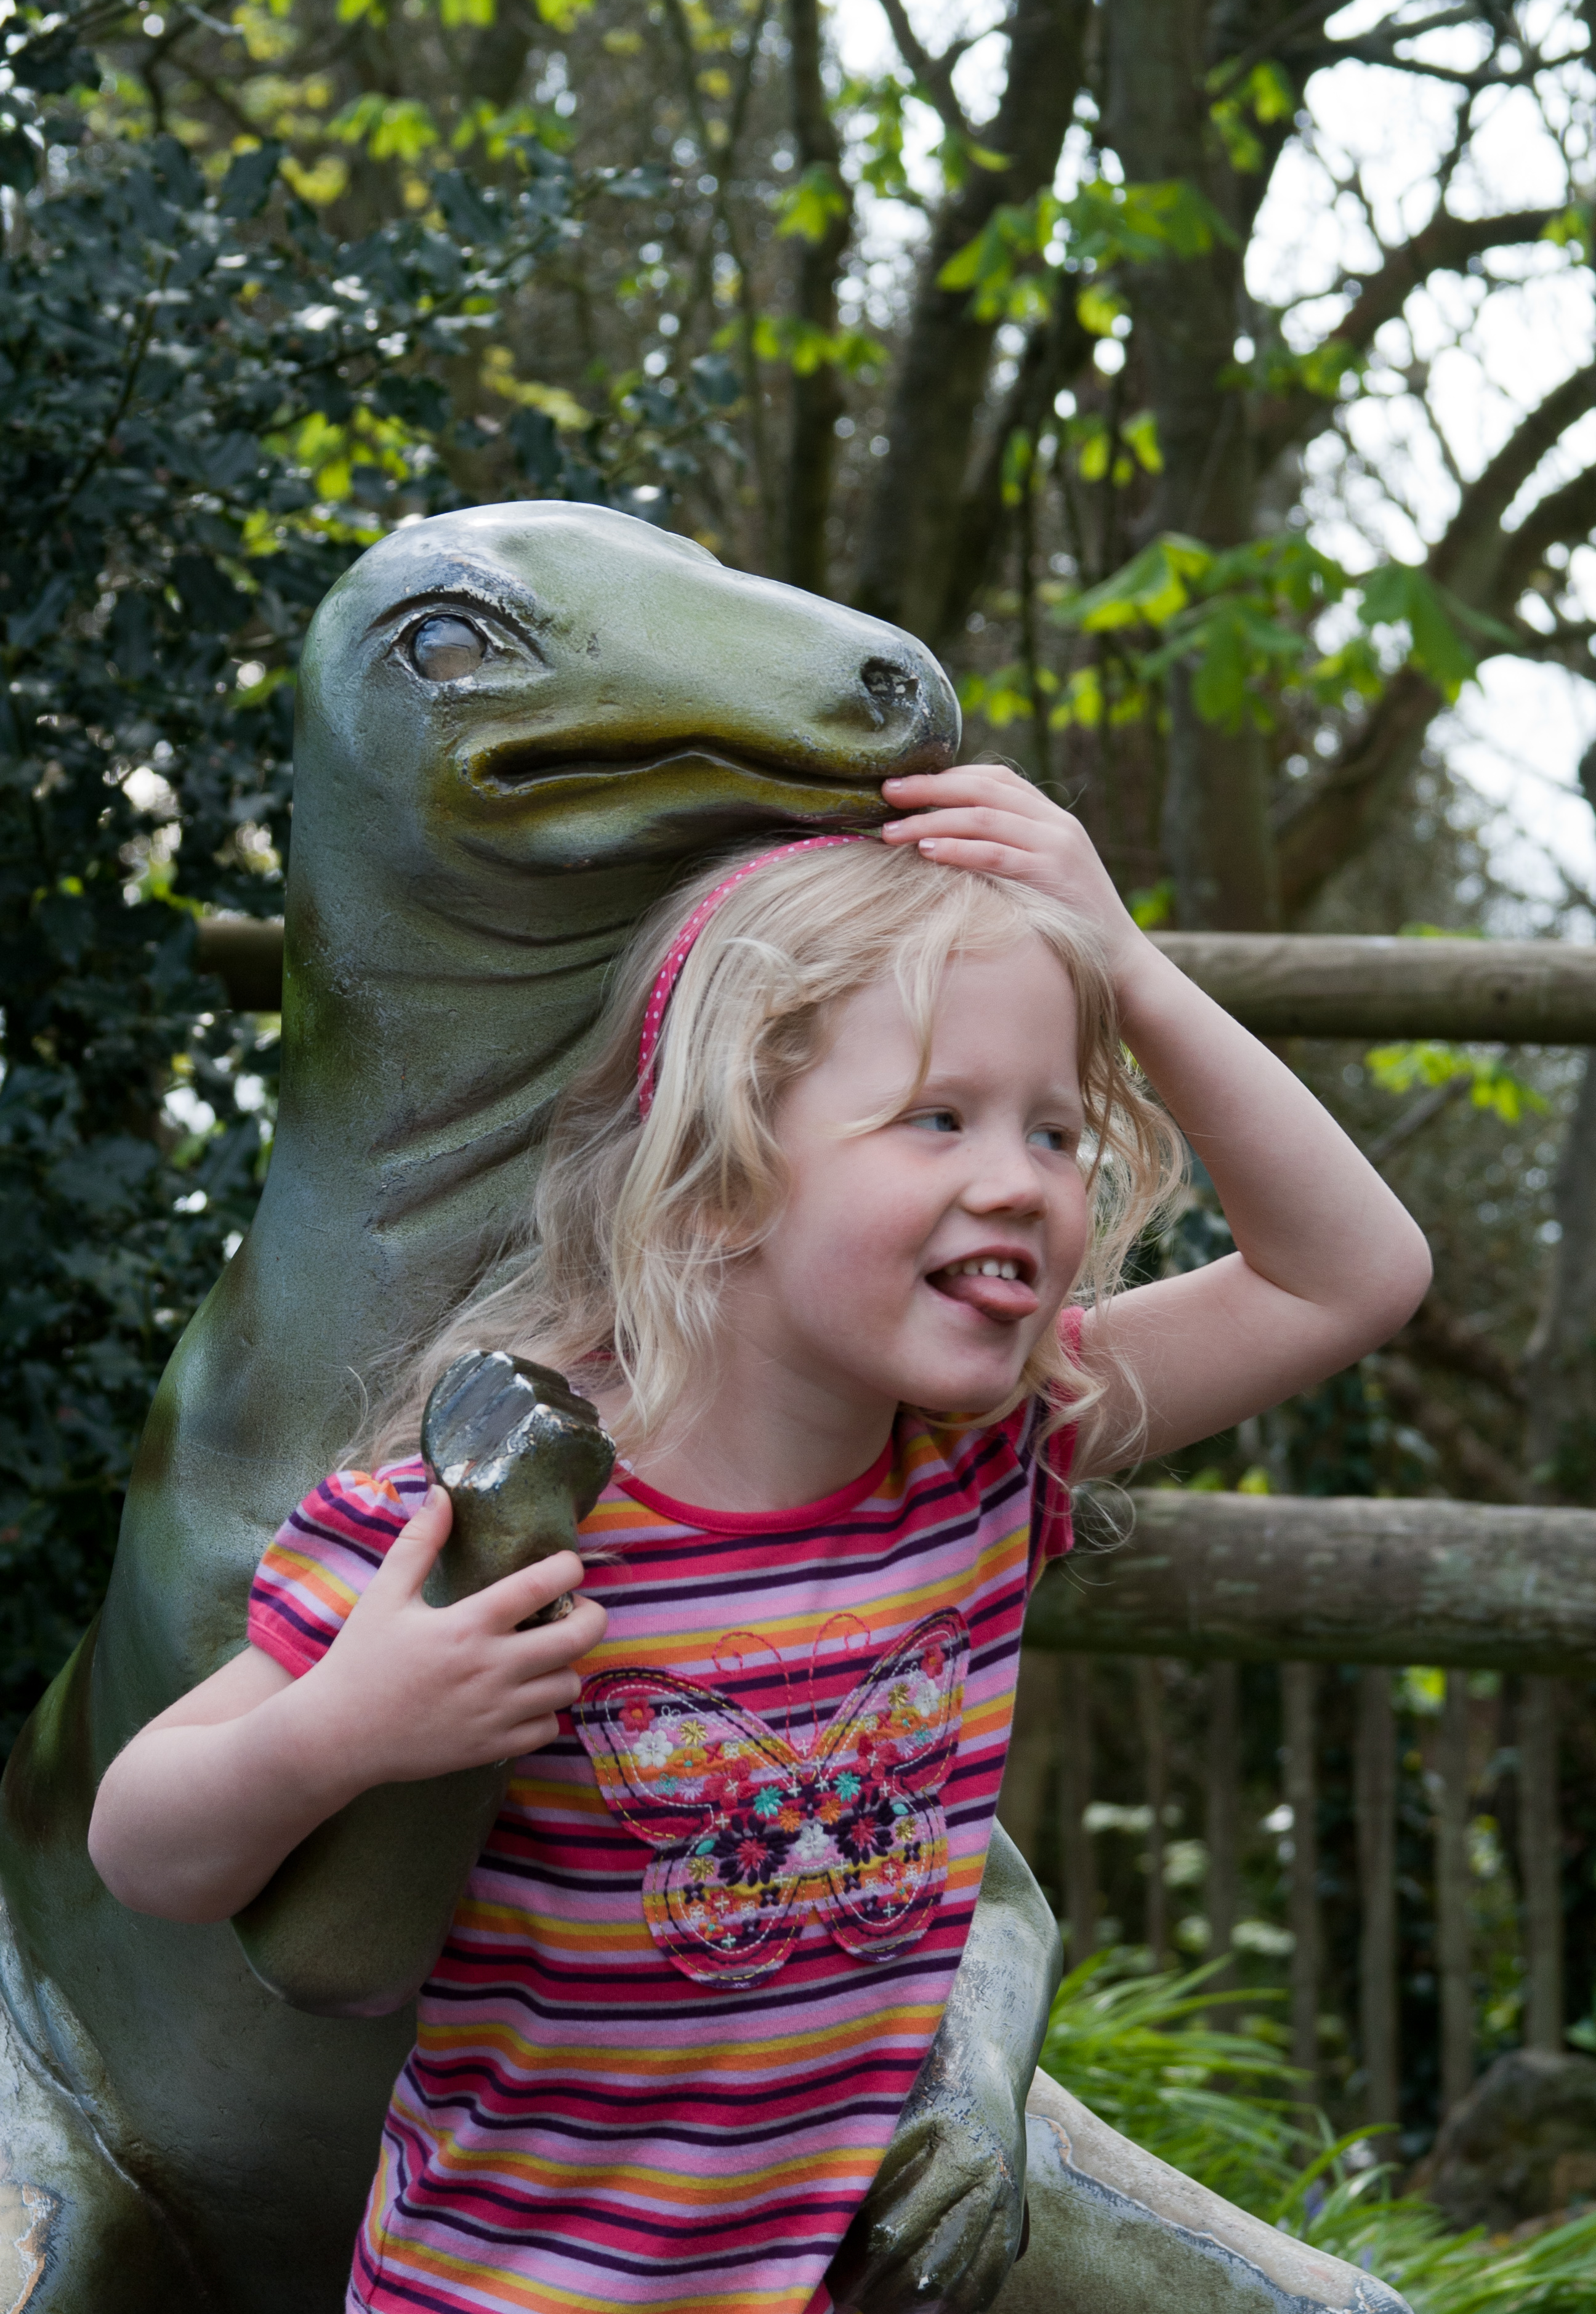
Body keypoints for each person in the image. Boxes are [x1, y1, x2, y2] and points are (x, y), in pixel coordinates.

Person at [88, 767, 1431, 2314]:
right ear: (724, 1175)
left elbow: (1355, 1274)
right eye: (936, 1118)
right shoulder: (493, 1515)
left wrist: (1127, 967)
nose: (1017, 1179)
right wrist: (345, 1724)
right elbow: (142, 1844)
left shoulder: (987, 1459)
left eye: (1059, 1131)